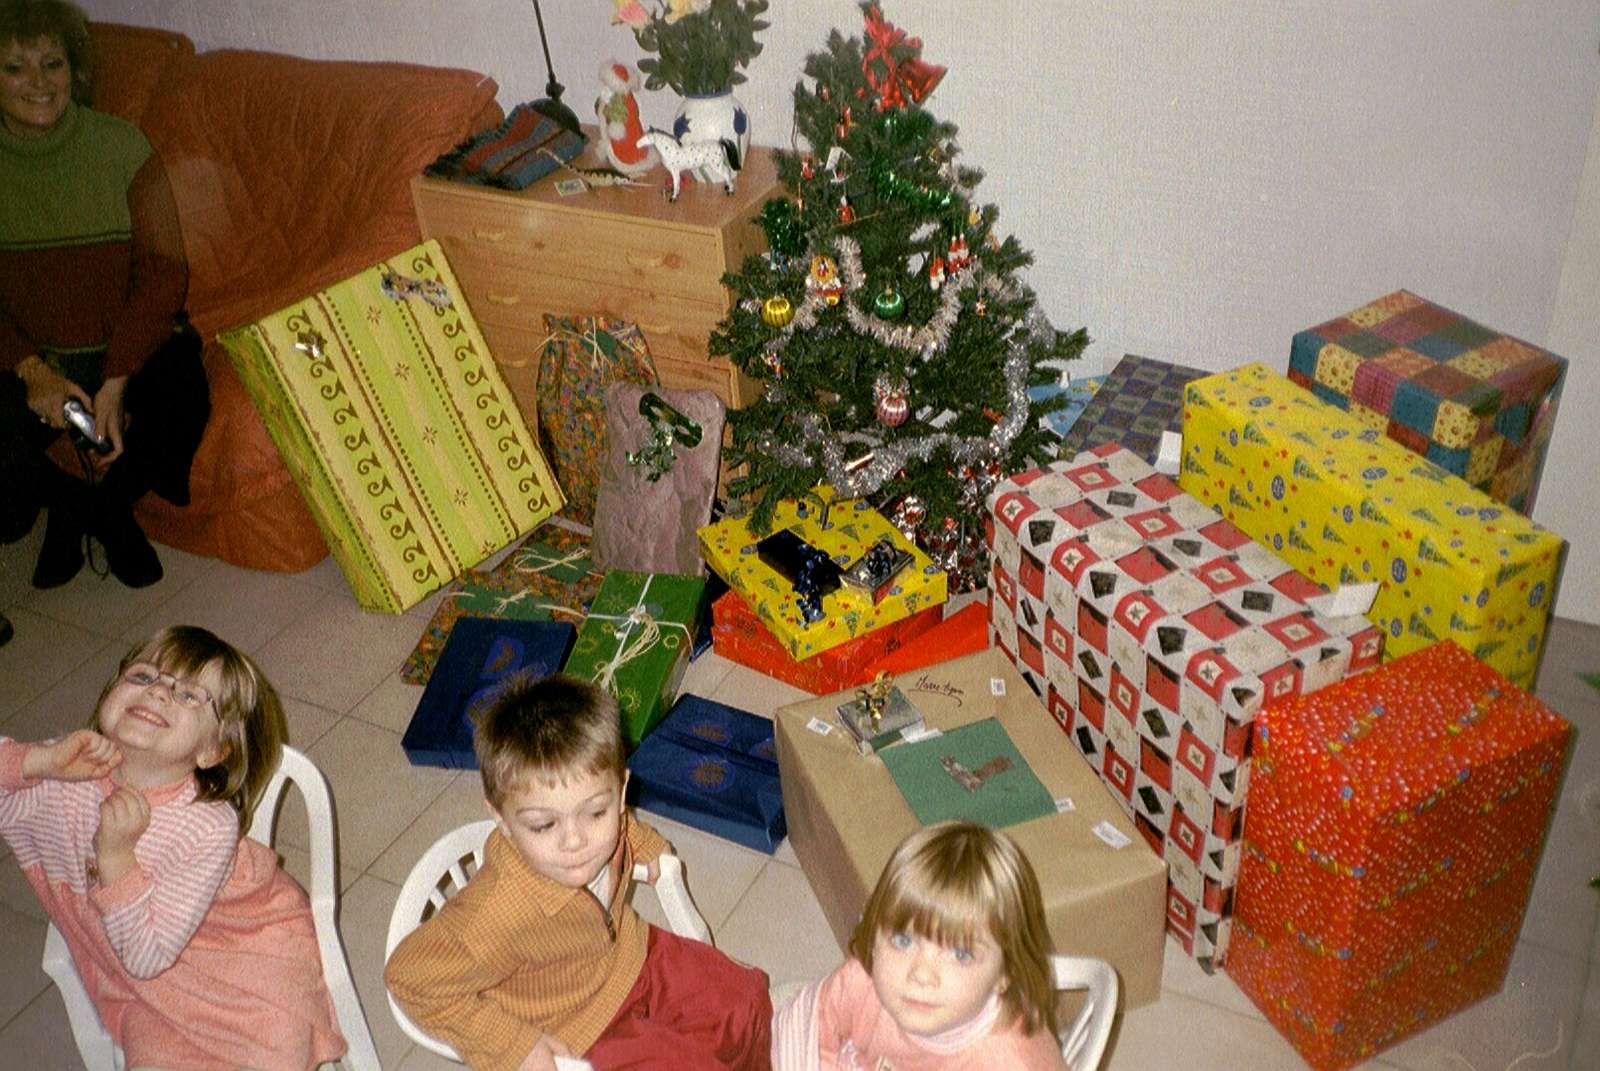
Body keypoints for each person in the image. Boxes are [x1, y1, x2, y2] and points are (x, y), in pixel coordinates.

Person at [0, 625, 348, 1071]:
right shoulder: (63, 766)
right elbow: (143, 967)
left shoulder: (207, 825)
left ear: (213, 751)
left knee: (276, 1049)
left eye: (189, 696)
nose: (160, 692)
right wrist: (36, 762)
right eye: (144, 676)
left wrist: (117, 861)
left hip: (244, 961)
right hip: (148, 994)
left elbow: (147, 956)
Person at [386, 673, 773, 1071]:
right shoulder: (497, 910)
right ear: (500, 817)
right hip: (577, 1029)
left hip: (631, 955)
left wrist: (646, 846)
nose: (576, 841)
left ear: (621, 794)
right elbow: (409, 977)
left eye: (595, 812)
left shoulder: (607, 823)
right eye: (543, 825)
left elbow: (623, 829)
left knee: (746, 998)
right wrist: (513, 1044)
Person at [0, 0, 209, 591]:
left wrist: (117, 377)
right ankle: (71, 500)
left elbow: (165, 271)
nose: (38, 82)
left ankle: (98, 508)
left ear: (76, 72)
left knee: (184, 395)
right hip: (34, 360)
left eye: (52, 63)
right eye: (15, 67)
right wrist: (32, 370)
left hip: (128, 346)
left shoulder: (122, 147)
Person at [772, 821, 1067, 1070]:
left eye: (961, 954)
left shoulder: (1008, 1061)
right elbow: (812, 1021)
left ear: (1006, 974)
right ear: (874, 937)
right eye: (903, 940)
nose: (922, 974)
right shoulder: (862, 981)